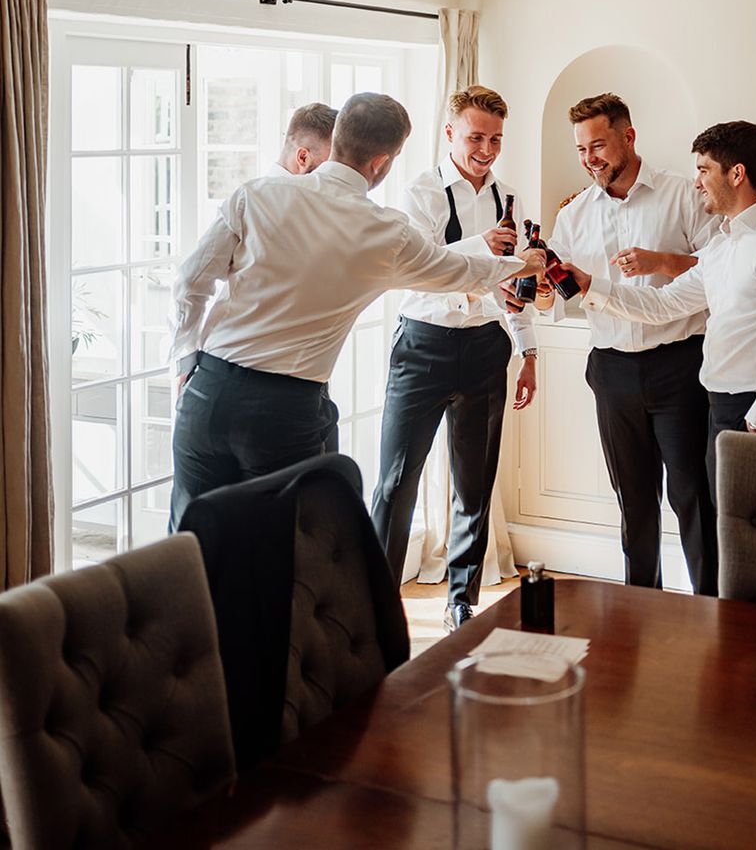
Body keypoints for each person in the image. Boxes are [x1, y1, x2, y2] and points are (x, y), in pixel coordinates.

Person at [168, 92, 544, 532]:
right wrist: (521, 264)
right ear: (382, 163)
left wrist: (186, 360)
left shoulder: (257, 194)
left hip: (208, 392)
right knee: (277, 551)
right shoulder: (386, 232)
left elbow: (190, 282)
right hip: (284, 411)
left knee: (189, 545)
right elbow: (456, 271)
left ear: (337, 135)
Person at [562, 120, 756, 504]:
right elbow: (664, 304)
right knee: (732, 544)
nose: (697, 182)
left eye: (704, 170)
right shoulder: (721, 246)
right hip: (720, 410)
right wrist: (589, 286)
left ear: (737, 174)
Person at [371, 86, 541, 632]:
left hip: (487, 348)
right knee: (396, 482)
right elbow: (418, 268)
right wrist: (482, 250)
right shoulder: (418, 193)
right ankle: (373, 602)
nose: (486, 148)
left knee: (475, 483)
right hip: (423, 346)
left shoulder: (508, 198)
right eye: (475, 137)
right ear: (450, 134)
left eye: (494, 139)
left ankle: (461, 599)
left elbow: (511, 284)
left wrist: (529, 348)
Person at [541, 93, 719, 596]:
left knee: (693, 495)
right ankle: (641, 606)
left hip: (679, 365)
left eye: (598, 145)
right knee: (633, 500)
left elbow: (719, 269)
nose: (590, 158)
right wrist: (537, 289)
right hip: (612, 371)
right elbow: (564, 293)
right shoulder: (573, 215)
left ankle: (715, 608)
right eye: (581, 150)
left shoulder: (683, 194)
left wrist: (662, 260)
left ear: (628, 137)